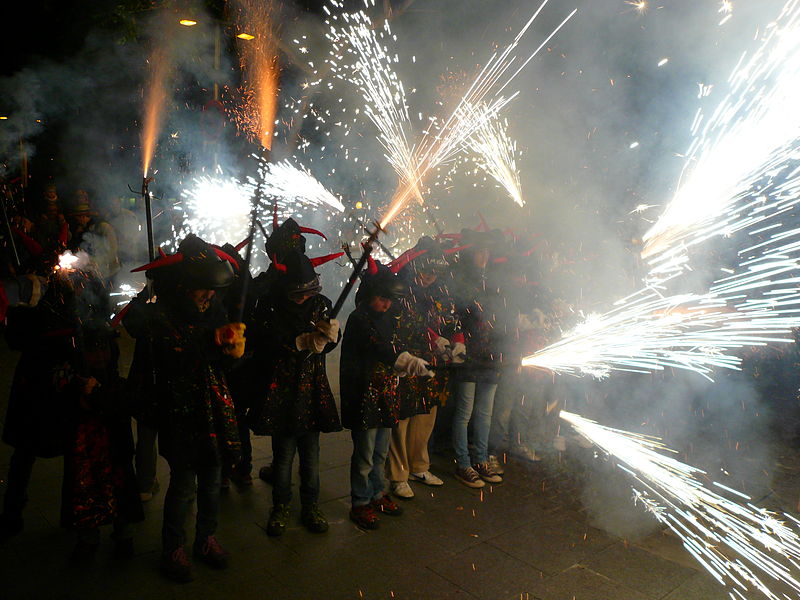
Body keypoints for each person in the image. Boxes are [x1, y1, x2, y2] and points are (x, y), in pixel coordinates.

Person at [123, 234, 245, 583]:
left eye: (213, 289)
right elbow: (173, 356)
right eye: (203, 289)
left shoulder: (217, 311)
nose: (210, 295)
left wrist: (233, 351)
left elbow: (227, 366)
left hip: (215, 407)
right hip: (180, 411)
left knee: (211, 481)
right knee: (183, 485)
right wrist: (210, 345)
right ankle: (172, 548)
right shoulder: (164, 317)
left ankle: (206, 538)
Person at [248, 249, 342, 536]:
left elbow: (331, 343)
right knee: (284, 455)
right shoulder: (270, 305)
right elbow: (263, 340)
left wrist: (329, 337)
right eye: (297, 294)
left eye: (307, 293)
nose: (303, 299)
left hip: (312, 388)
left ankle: (311, 506)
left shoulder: (322, 306)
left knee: (311, 456)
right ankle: (281, 506)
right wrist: (297, 342)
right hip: (282, 391)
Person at [340, 258, 431, 529]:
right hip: (364, 395)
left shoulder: (389, 317)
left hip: (386, 393)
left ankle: (377, 494)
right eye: (382, 299)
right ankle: (360, 502)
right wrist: (403, 360)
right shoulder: (359, 319)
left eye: (390, 300)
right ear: (369, 296)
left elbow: (396, 342)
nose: (387, 305)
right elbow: (378, 347)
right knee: (365, 454)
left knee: (381, 451)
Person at [388, 237, 461, 499]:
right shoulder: (401, 290)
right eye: (426, 271)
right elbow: (403, 325)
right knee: (403, 417)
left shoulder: (440, 290)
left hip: (434, 363)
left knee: (427, 415)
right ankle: (398, 475)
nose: (430, 276)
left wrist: (456, 340)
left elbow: (451, 319)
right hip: (409, 362)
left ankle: (419, 466)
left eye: (435, 272)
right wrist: (431, 338)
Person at [450, 229, 507, 488]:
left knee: (485, 412)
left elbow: (500, 312)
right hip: (470, 351)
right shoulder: (461, 279)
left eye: (487, 251)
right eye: (479, 251)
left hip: (491, 351)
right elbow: (454, 314)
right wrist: (458, 338)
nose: (484, 255)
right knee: (465, 411)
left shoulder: (493, 279)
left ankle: (481, 458)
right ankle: (463, 463)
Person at [67, 190, 120, 284]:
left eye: (79, 217)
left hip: (108, 272)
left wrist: (96, 262)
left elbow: (112, 250)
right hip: (92, 273)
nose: (78, 220)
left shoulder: (103, 227)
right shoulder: (81, 231)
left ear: (85, 217)